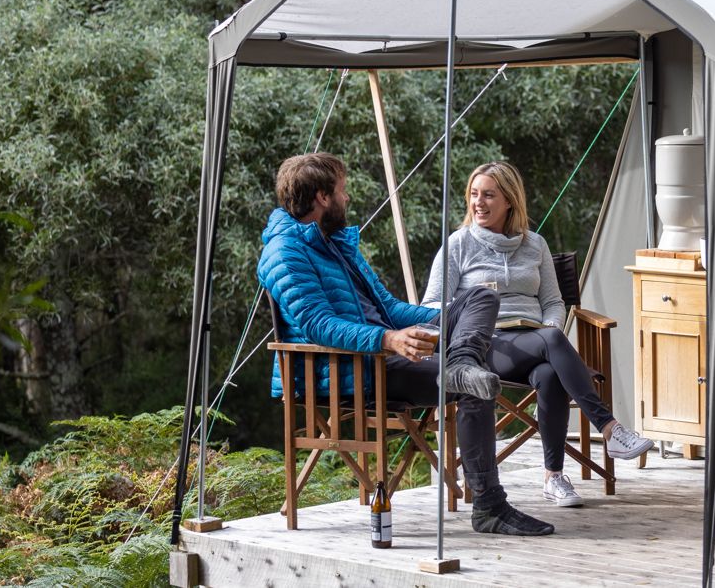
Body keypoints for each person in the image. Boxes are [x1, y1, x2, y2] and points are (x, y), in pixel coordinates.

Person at [257, 152, 553, 535]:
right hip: (353, 370)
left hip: (386, 354)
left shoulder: (335, 243)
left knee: (479, 298)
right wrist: (389, 339)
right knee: (475, 384)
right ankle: (490, 507)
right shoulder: (284, 251)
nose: (347, 199)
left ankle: (460, 365)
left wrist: (445, 319)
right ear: (321, 197)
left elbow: (390, 307)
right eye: (342, 191)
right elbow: (318, 325)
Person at [423, 161, 653, 508]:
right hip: (485, 345)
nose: (478, 203)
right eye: (474, 194)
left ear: (510, 201)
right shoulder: (458, 245)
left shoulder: (535, 245)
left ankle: (554, 478)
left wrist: (548, 330)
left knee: (550, 371)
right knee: (554, 342)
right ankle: (609, 428)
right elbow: (431, 305)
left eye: (488, 195)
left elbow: (553, 302)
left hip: (534, 342)